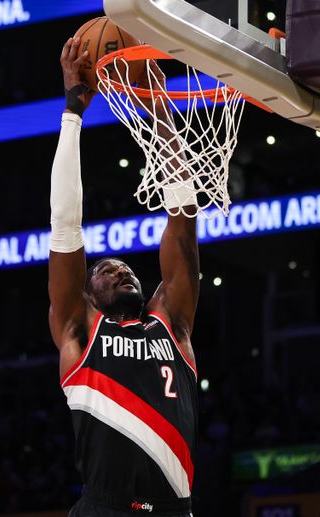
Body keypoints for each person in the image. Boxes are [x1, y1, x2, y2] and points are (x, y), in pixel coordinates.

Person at [48, 37, 199, 516]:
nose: (121, 270)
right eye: (106, 271)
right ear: (88, 294)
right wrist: (73, 112)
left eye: (126, 268)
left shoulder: (170, 322)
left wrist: (158, 106)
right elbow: (65, 226)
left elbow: (183, 216)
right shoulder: (80, 328)